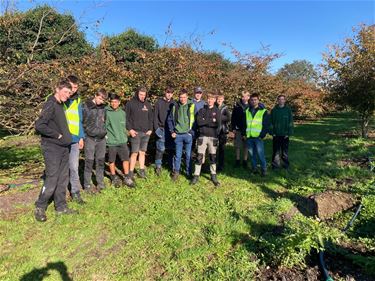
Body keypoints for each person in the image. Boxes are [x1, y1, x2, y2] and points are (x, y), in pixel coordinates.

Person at [34, 79, 77, 222]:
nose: (68, 95)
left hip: (63, 148)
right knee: (52, 177)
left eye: (70, 93)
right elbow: (40, 125)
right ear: (57, 89)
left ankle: (61, 206)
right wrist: (57, 135)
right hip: (52, 147)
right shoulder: (51, 104)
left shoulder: (60, 105)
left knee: (63, 178)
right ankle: (40, 206)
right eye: (66, 92)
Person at [190, 93, 221, 186]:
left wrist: (205, 120)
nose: (210, 100)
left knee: (213, 157)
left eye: (212, 99)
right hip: (202, 137)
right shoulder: (201, 110)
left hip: (213, 137)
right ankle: (196, 176)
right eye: (209, 99)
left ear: (214, 100)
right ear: (207, 100)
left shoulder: (217, 111)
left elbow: (217, 124)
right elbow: (199, 122)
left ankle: (213, 175)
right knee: (199, 157)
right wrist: (211, 120)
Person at [106, 92, 135, 187]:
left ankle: (127, 177)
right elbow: (104, 127)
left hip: (122, 141)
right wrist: (107, 136)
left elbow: (126, 125)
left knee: (125, 159)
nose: (114, 104)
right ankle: (113, 177)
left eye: (116, 102)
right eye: (112, 102)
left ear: (119, 102)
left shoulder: (123, 113)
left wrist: (129, 132)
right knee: (111, 160)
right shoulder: (107, 112)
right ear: (110, 102)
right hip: (112, 142)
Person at [65, 75, 85, 203]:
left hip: (75, 139)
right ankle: (59, 193)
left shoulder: (78, 100)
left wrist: (81, 137)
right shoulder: (60, 98)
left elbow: (79, 119)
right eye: (71, 87)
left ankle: (75, 192)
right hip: (61, 139)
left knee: (74, 166)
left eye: (76, 87)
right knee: (61, 168)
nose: (73, 90)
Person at [125, 87, 153, 180]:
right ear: (137, 94)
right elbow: (126, 118)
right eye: (141, 94)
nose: (142, 96)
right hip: (135, 133)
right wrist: (130, 130)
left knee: (142, 152)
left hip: (145, 133)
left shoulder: (148, 105)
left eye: (144, 95)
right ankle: (131, 172)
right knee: (134, 153)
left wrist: (150, 129)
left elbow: (151, 118)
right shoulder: (130, 103)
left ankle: (142, 171)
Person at [82, 89, 108, 192]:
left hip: (101, 139)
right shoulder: (86, 106)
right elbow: (81, 122)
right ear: (95, 95)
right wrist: (83, 137)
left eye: (103, 100)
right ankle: (87, 185)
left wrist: (104, 132)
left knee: (100, 161)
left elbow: (104, 121)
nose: (101, 101)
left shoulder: (103, 108)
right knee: (89, 162)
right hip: (90, 138)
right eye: (100, 98)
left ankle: (100, 183)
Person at [167, 89, 195, 181]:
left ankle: (188, 172)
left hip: (188, 135)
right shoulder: (175, 106)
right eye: (181, 97)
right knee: (178, 155)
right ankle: (176, 172)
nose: (182, 99)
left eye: (184, 97)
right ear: (178, 97)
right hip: (178, 135)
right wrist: (172, 131)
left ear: (187, 97)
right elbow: (170, 120)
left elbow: (196, 120)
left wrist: (192, 132)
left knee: (188, 155)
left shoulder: (191, 106)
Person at [243, 93, 270, 176]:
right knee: (252, 155)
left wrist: (262, 135)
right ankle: (254, 169)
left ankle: (264, 169)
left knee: (260, 154)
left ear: (258, 100)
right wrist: (244, 134)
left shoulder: (263, 111)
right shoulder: (247, 111)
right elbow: (245, 124)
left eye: (255, 100)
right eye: (252, 100)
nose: (253, 101)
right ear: (250, 101)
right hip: (249, 136)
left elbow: (266, 124)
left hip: (258, 137)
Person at [153, 86, 174, 176]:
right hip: (161, 129)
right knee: (160, 149)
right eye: (168, 92)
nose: (169, 94)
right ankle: (158, 166)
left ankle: (170, 165)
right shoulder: (159, 102)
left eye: (171, 93)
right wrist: (156, 129)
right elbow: (154, 117)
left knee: (171, 149)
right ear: (165, 92)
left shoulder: (174, 103)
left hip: (171, 130)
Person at [270, 94, 294, 170]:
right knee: (276, 151)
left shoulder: (288, 110)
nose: (281, 100)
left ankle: (286, 165)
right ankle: (275, 165)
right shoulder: (274, 110)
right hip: (276, 134)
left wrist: (288, 133)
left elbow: (291, 122)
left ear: (284, 100)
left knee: (284, 152)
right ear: (277, 100)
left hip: (285, 135)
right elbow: (271, 122)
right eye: (279, 99)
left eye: (282, 99)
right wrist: (272, 132)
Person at [231, 90, 250, 168]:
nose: (244, 98)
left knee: (246, 146)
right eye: (243, 96)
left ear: (248, 97)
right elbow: (233, 118)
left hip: (248, 129)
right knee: (238, 146)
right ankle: (237, 160)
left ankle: (245, 161)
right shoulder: (237, 106)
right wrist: (233, 128)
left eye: (246, 96)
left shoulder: (251, 106)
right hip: (238, 129)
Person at [216, 94, 230, 172]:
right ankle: (214, 163)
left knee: (221, 148)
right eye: (218, 99)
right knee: (214, 148)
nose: (219, 100)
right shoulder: (214, 106)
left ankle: (221, 165)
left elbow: (228, 118)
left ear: (223, 99)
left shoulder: (225, 108)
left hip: (223, 130)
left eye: (221, 99)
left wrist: (219, 117)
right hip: (215, 130)